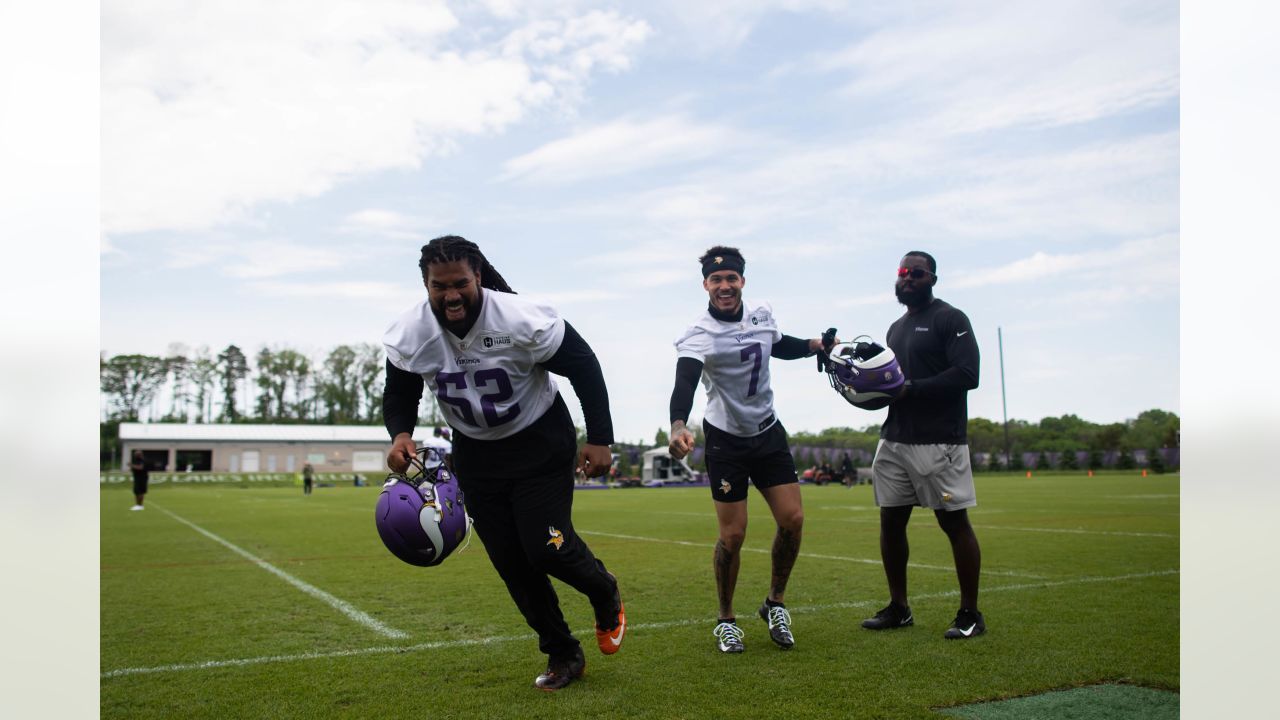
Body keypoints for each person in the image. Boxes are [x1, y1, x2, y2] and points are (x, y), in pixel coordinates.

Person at [382, 235, 625, 691]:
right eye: (439, 286)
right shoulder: (411, 332)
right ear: (425, 285)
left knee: (545, 546)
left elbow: (584, 365)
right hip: (477, 451)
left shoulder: (519, 317)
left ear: (478, 278)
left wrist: (600, 439)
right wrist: (400, 435)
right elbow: (400, 392)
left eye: (460, 283)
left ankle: (603, 588)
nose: (451, 295)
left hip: (540, 441)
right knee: (512, 562)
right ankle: (561, 652)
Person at [667, 245, 835, 654]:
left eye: (731, 278)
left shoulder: (761, 313)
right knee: (734, 535)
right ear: (705, 284)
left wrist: (815, 344)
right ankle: (726, 619)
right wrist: (677, 426)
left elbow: (776, 344)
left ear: (742, 280)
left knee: (793, 519)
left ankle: (774, 602)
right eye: (716, 280)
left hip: (768, 431)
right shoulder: (698, 333)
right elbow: (685, 382)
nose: (724, 286)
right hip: (726, 438)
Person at [861, 251, 984, 639]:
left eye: (916, 273)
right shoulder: (895, 329)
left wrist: (911, 388)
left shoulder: (951, 318)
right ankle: (899, 607)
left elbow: (968, 374)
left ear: (933, 278)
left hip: (939, 438)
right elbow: (890, 383)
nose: (908, 278)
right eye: (902, 273)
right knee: (891, 521)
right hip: (895, 438)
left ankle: (970, 614)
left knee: (953, 522)